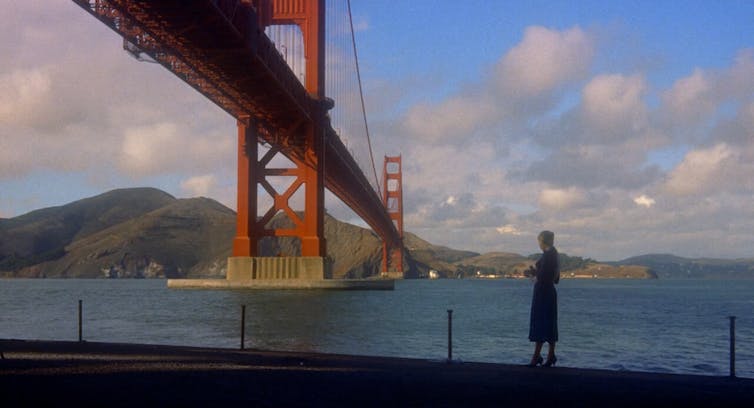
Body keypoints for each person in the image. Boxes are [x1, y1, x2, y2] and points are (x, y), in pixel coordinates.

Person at [524, 230, 560, 367]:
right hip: (549, 291)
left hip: (543, 292)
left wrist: (532, 275)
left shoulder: (548, 256)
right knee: (550, 324)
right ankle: (549, 355)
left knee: (540, 323)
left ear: (542, 241)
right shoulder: (554, 255)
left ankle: (537, 356)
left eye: (539, 241)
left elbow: (543, 278)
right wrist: (535, 273)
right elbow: (555, 279)